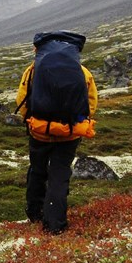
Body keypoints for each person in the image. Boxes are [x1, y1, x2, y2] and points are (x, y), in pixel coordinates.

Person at [15, 31, 98, 234]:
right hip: (70, 133)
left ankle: (35, 214)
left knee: (37, 170)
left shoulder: (33, 70)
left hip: (39, 131)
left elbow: (22, 100)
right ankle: (55, 225)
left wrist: (30, 121)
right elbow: (91, 104)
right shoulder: (82, 72)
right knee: (59, 174)